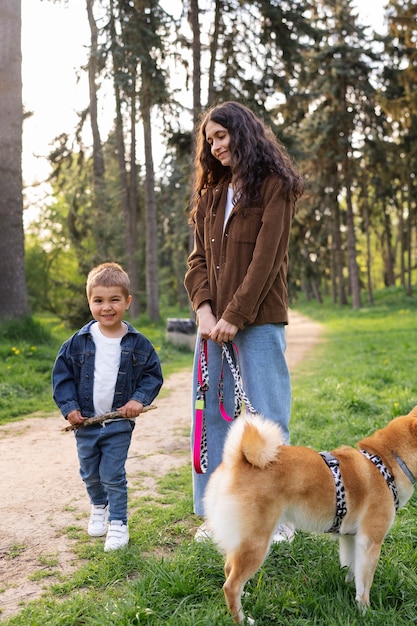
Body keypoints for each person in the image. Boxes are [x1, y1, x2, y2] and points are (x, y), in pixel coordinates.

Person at [184, 101, 304, 542]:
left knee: (266, 417)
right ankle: (218, 514)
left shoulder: (276, 186)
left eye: (221, 135)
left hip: (258, 321)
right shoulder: (211, 196)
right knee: (212, 420)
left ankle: (277, 517)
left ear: (244, 132)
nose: (215, 146)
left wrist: (235, 315)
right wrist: (205, 312)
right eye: (209, 140)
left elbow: (266, 260)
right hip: (211, 326)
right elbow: (196, 262)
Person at [52, 262, 163, 551]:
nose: (107, 307)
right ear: (89, 301)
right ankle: (98, 506)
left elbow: (152, 374)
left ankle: (118, 522)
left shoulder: (138, 344)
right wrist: (69, 407)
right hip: (86, 423)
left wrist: (138, 399)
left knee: (112, 473)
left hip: (117, 424)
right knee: (89, 472)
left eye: (114, 300)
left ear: (127, 301)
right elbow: (62, 376)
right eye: (98, 300)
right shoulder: (77, 343)